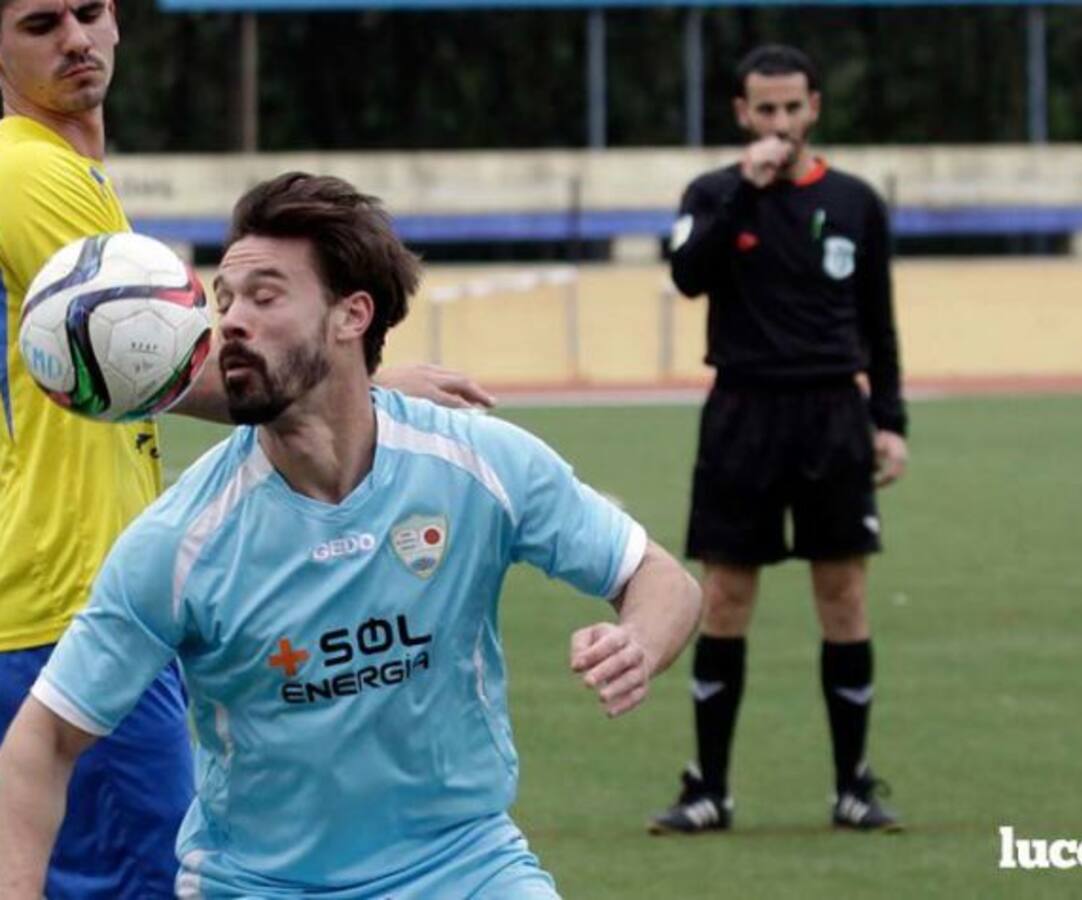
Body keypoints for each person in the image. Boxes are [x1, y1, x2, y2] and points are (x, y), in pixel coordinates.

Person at [0, 171, 702, 896]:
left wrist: (639, 641)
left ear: (352, 315)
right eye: (224, 300)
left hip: (465, 867)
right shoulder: (181, 540)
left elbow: (660, 579)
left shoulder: (477, 465)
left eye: (265, 296)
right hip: (261, 886)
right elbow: (42, 739)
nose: (230, 321)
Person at [0, 1, 492, 894]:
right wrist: (361, 391)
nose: (76, 38)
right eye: (41, 24)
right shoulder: (30, 172)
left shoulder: (56, 170)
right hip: (63, 596)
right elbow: (150, 366)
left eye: (90, 10)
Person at [648, 44, 908, 835]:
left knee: (844, 595)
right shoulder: (713, 193)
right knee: (725, 595)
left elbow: (880, 323)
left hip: (832, 415)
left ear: (815, 108)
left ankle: (853, 786)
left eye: (794, 107)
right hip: (742, 413)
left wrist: (890, 421)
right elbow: (687, 275)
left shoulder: (857, 202)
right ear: (742, 113)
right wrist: (745, 192)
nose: (781, 122)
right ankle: (709, 789)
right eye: (766, 109)